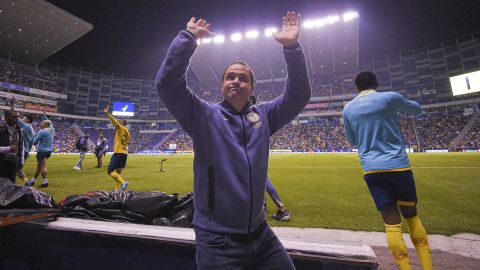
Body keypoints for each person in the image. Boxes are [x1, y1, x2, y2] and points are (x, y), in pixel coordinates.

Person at [155, 12, 310, 269]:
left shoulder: (264, 116)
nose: (236, 80)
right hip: (218, 242)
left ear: (252, 88)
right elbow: (167, 83)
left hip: (262, 235)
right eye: (230, 77)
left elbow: (299, 95)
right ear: (222, 86)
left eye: (243, 78)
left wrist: (292, 48)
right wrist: (188, 38)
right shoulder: (202, 115)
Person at [342, 71, 432, 270]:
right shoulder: (389, 98)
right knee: (412, 217)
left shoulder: (348, 109)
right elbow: (417, 110)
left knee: (391, 224)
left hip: (372, 170)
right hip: (398, 165)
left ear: (356, 88)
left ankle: (405, 267)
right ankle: (427, 266)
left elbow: (352, 141)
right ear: (376, 83)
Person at [26, 110, 54, 188]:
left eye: (42, 123)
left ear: (45, 124)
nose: (40, 124)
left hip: (42, 151)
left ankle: (45, 182)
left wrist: (33, 137)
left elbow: (35, 142)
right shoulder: (52, 130)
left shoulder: (42, 132)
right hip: (48, 151)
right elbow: (50, 122)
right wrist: (44, 115)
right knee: (39, 166)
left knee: (42, 167)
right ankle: (33, 180)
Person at [104, 105, 130, 191]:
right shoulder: (128, 133)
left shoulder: (120, 127)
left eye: (120, 121)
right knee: (118, 171)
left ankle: (123, 182)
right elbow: (128, 142)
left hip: (118, 153)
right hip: (125, 154)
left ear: (122, 123)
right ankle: (116, 189)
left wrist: (108, 114)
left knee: (110, 171)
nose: (118, 121)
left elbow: (114, 121)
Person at [10, 98, 35, 183]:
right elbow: (32, 143)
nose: (23, 118)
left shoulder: (25, 126)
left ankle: (23, 182)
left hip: (20, 151)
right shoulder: (32, 130)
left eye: (24, 117)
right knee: (17, 169)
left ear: (28, 120)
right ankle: (26, 182)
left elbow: (14, 116)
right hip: (26, 151)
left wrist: (12, 104)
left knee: (13, 168)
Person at [0, 109, 23, 183]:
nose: (17, 119)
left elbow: (21, 146)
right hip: (1, 163)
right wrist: (8, 149)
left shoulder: (19, 129)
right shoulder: (1, 129)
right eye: (14, 117)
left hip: (13, 162)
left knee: (12, 187)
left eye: (18, 117)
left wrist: (21, 161)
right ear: (6, 118)